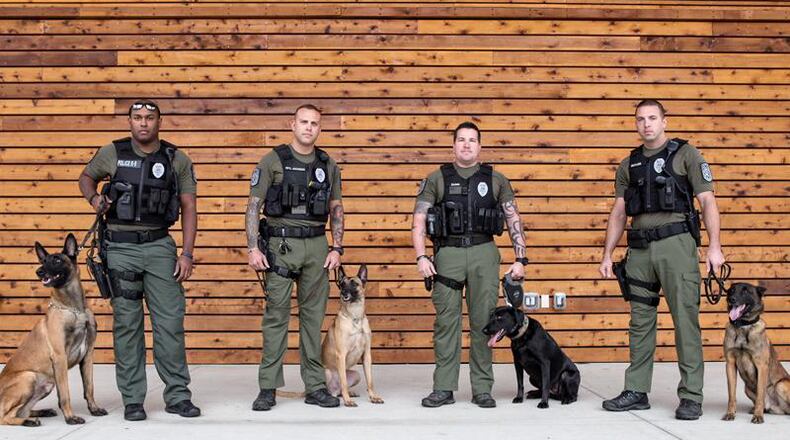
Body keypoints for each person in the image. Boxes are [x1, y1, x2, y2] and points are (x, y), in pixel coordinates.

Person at [599, 99, 725, 420]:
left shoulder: (687, 154)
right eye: (640, 119)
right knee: (640, 322)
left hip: (677, 245)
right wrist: (607, 253)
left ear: (664, 121)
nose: (647, 124)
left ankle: (692, 396)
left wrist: (714, 247)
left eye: (652, 118)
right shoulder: (629, 164)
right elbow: (618, 212)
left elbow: (708, 201)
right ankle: (637, 390)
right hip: (639, 249)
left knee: (685, 321)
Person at [78, 99, 200, 421]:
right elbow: (86, 178)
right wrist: (94, 198)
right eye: (137, 117)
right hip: (120, 249)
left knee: (170, 324)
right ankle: (133, 400)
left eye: (149, 117)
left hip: (160, 246)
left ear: (160, 121)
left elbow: (188, 206)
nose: (143, 123)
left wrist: (186, 254)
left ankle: (177, 396)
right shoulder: (112, 152)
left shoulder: (177, 158)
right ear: (129, 121)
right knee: (127, 326)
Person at [412, 121, 527, 408]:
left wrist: (520, 258)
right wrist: (421, 256)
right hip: (447, 256)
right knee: (446, 325)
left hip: (484, 253)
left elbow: (513, 219)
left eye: (472, 140)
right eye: (461, 140)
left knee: (484, 324)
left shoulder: (497, 179)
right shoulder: (436, 178)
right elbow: (418, 221)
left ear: (480, 145)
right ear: (453, 145)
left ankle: (482, 389)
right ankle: (443, 388)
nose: (466, 144)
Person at [246, 104, 344, 410]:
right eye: (304, 122)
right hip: (281, 246)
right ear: (292, 124)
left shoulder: (328, 164)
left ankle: (315, 386)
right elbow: (253, 206)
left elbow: (336, 209)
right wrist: (253, 247)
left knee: (312, 320)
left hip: (316, 246)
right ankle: (268, 388)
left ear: (319, 128)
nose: (309, 127)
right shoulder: (273, 160)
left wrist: (337, 248)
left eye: (315, 123)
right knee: (275, 318)